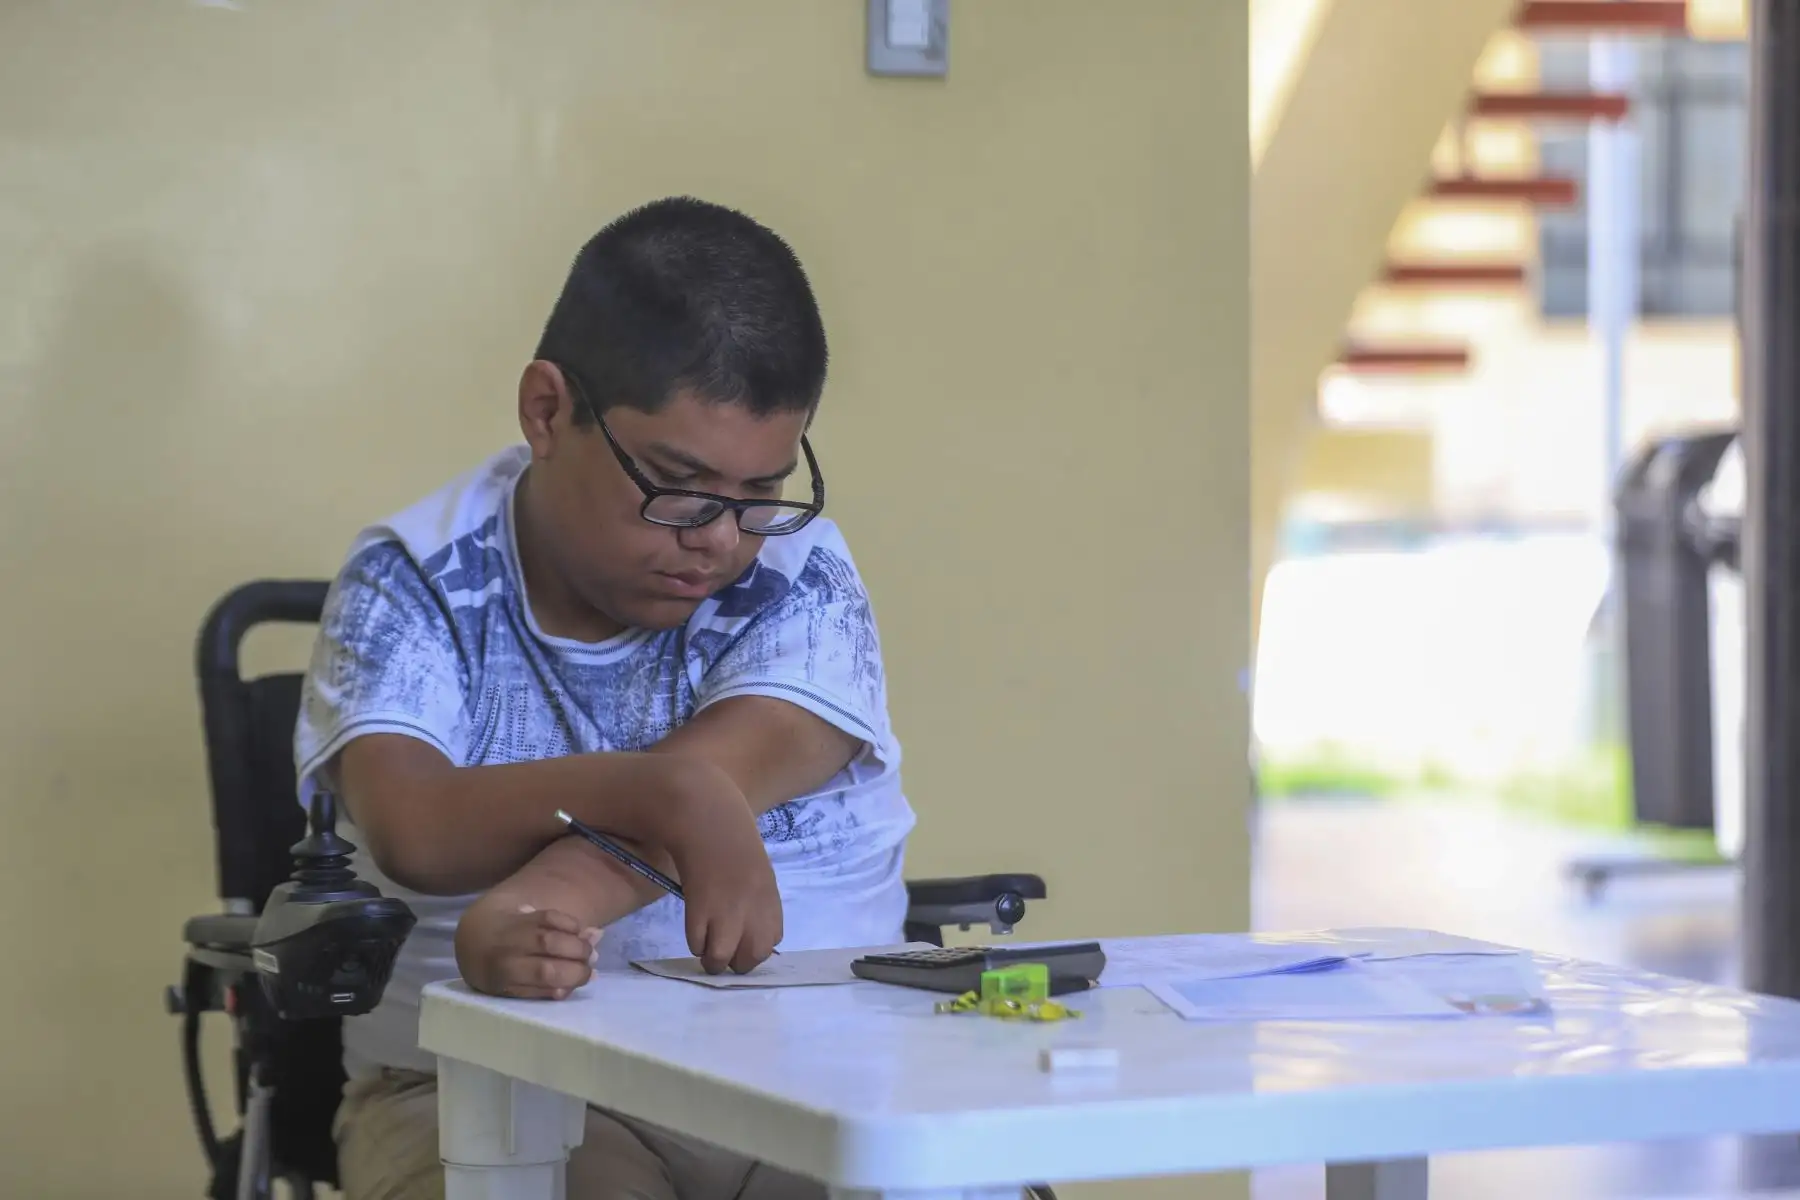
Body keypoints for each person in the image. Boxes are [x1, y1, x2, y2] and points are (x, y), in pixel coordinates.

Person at [293, 196, 916, 1200]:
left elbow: (736, 764)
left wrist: (556, 891)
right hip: (491, 1086)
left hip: (822, 1077)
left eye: (760, 492)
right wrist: (665, 794)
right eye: (678, 485)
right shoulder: (412, 580)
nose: (719, 539)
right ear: (547, 412)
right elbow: (417, 829)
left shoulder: (797, 571)